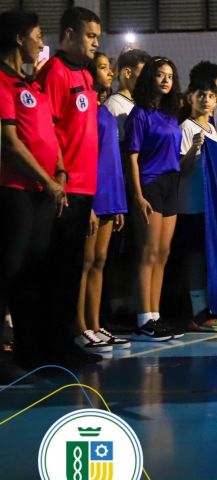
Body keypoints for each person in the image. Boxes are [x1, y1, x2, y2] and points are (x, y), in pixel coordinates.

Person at [0, 10, 69, 378]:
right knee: (8, 271)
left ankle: (30, 353)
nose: (42, 44)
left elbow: (48, 134)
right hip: (14, 190)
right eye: (38, 36)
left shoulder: (32, 84)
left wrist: (60, 173)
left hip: (43, 190)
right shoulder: (1, 81)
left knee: (32, 275)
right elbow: (10, 144)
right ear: (18, 38)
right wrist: (49, 180)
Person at [36, 7, 103, 364]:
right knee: (57, 270)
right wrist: (58, 177)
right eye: (90, 36)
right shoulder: (54, 72)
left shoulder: (87, 76)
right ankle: (51, 346)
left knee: (73, 268)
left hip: (85, 187)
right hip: (65, 187)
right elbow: (46, 130)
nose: (96, 43)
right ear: (69, 35)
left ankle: (67, 340)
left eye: (97, 37)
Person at [126, 58, 186, 342]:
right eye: (160, 75)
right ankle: (142, 320)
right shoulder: (140, 114)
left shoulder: (171, 114)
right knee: (147, 252)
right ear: (150, 77)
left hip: (171, 184)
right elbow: (132, 156)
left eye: (170, 76)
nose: (165, 80)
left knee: (163, 252)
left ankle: (155, 315)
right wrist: (137, 195)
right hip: (149, 183)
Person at [76, 53, 129, 354]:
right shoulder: (85, 110)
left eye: (110, 68)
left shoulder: (105, 108)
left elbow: (113, 160)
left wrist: (118, 203)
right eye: (103, 68)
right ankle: (79, 327)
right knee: (84, 263)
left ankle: (96, 325)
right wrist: (90, 204)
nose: (110, 72)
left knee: (99, 261)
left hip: (110, 195)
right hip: (91, 195)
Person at [174, 78, 217, 332]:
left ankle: (209, 307)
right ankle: (197, 312)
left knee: (206, 257)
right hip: (190, 205)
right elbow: (180, 170)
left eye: (210, 95)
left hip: (209, 207)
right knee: (194, 258)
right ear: (190, 98)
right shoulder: (186, 128)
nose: (206, 100)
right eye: (200, 95)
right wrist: (194, 150)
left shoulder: (213, 129)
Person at [104, 48, 151, 143]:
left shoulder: (140, 104)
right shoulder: (114, 107)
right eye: (144, 74)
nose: (148, 80)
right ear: (128, 73)